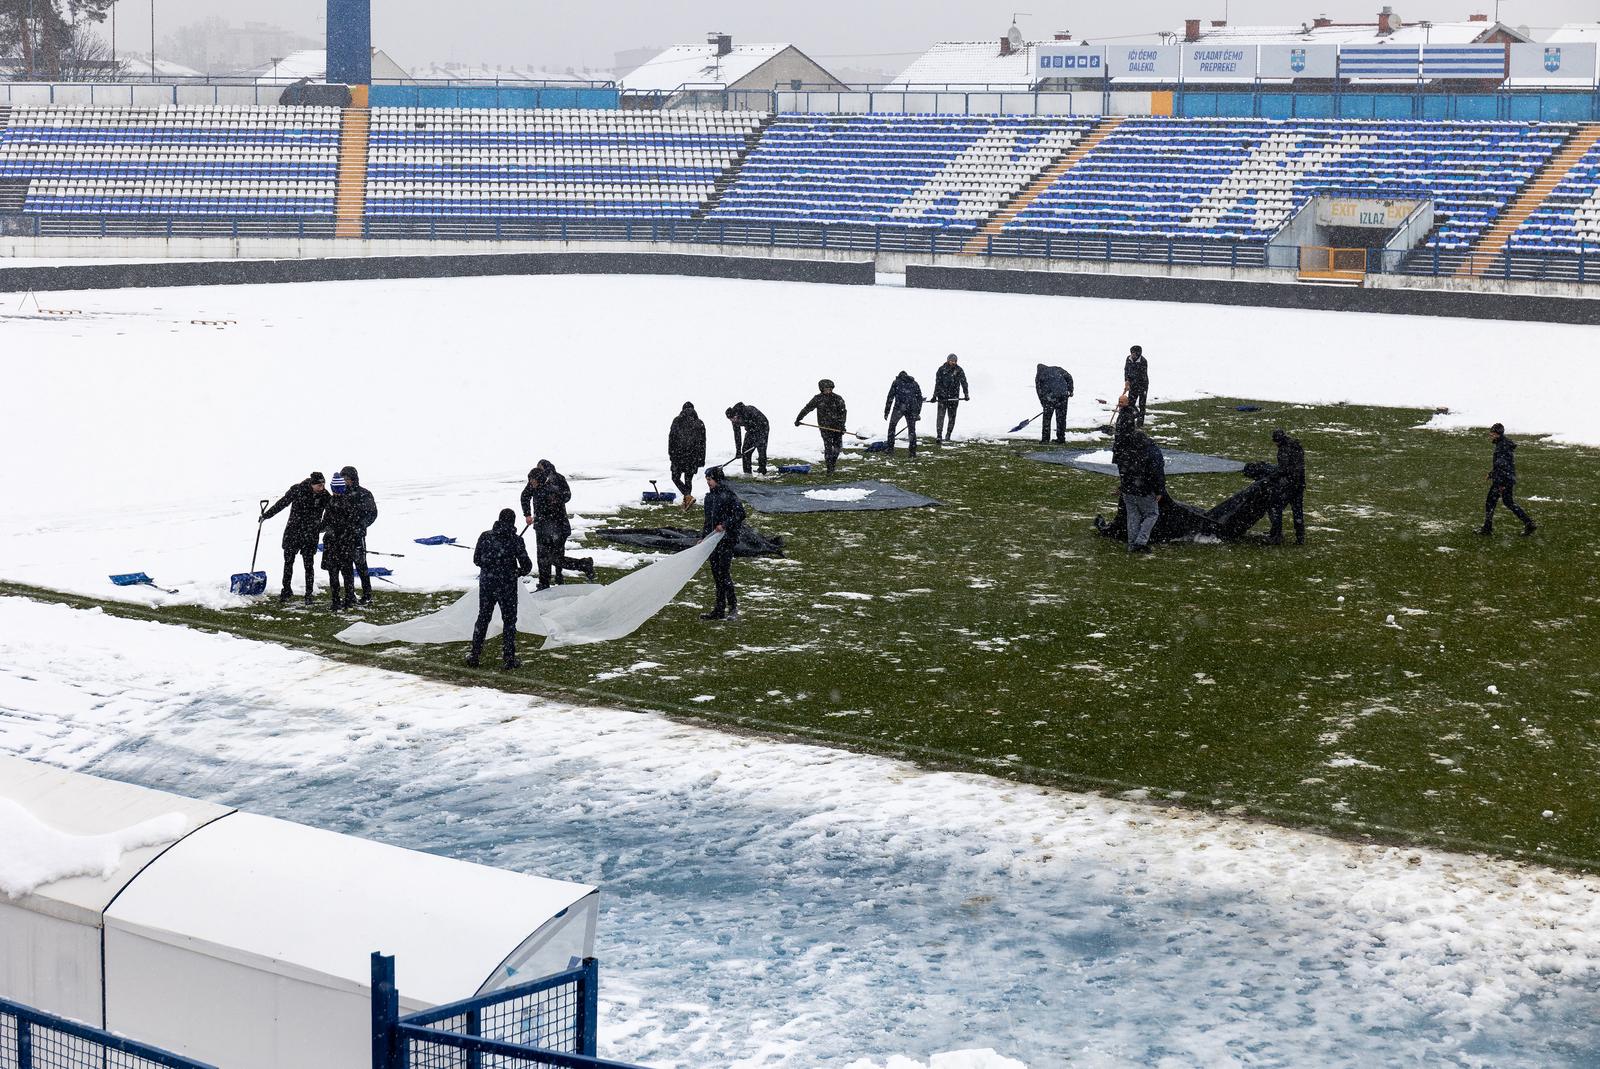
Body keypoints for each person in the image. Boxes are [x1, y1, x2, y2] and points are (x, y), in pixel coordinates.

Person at [467, 508, 533, 670]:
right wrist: (514, 572)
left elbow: (476, 559)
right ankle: (509, 658)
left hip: (488, 584)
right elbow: (527, 565)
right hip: (507, 586)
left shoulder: (485, 536)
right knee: (509, 621)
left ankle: (475, 654)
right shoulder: (515, 540)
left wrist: (491, 566)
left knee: (483, 618)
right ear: (513, 522)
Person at [522, 460, 596, 588]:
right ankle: (544, 583)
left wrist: (541, 516)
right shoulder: (536, 486)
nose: (530, 483)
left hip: (556, 529)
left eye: (532, 480)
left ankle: (582, 565)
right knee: (544, 557)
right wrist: (528, 514)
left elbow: (556, 508)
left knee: (554, 558)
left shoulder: (553, 488)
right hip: (543, 529)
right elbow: (525, 496)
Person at [261, 471, 327, 604]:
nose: (322, 488)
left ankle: (309, 594)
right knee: (288, 562)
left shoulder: (325, 495)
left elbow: (332, 512)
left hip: (310, 534)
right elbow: (282, 503)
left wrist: (321, 527)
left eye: (323, 484)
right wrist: (266, 515)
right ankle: (286, 590)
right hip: (293, 532)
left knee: (309, 565)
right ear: (312, 484)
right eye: (319, 485)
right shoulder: (298, 490)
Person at [699, 466, 746, 621]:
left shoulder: (728, 495)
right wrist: (703, 537)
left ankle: (733, 607)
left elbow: (740, 514)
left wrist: (725, 525)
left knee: (724, 574)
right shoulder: (709, 497)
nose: (708, 482)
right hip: (713, 543)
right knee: (716, 575)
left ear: (717, 479)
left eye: (710, 479)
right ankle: (719, 609)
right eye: (707, 479)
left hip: (727, 541)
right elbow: (708, 521)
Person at [1481, 423, 1536, 537]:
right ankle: (1529, 523)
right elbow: (1501, 465)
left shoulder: (1502, 446)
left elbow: (1502, 466)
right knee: (1507, 502)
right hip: (1505, 478)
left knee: (1491, 502)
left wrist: (1501, 483)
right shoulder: (1503, 444)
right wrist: (1491, 474)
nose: (1490, 435)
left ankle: (1487, 528)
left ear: (1497, 434)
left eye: (1492, 433)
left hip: (1502, 479)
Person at [320, 471, 365, 610]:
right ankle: (348, 599)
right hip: (346, 544)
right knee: (347, 573)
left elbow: (326, 523)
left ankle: (336, 600)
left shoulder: (332, 503)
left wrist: (319, 528)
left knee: (334, 574)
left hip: (335, 545)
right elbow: (354, 523)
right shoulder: (350, 502)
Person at [338, 465, 379, 604]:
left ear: (353, 479)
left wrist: (361, 525)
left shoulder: (364, 494)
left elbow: (372, 513)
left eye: (347, 479)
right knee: (346, 568)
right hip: (342, 537)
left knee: (361, 566)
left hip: (357, 537)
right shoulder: (340, 494)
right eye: (343, 478)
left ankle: (367, 594)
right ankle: (349, 595)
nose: (345, 481)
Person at [1119, 431, 1165, 554]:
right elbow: (1157, 472)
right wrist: (1160, 490)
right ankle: (1140, 542)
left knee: (1133, 515)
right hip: (1144, 490)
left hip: (1128, 490)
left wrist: (1122, 487)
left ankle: (1132, 543)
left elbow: (1123, 470)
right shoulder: (1153, 452)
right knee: (1151, 515)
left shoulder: (1127, 450)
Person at [795, 379, 848, 474]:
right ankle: (829, 468)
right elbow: (807, 408)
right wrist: (799, 418)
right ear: (821, 389)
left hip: (837, 427)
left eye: (829, 389)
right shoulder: (817, 399)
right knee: (828, 448)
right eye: (825, 389)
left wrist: (842, 426)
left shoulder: (837, 398)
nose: (828, 391)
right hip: (824, 427)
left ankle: (833, 463)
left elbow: (843, 412)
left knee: (837, 448)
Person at [1266, 430, 1306, 545]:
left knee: (1274, 507)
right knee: (1298, 511)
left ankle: (1276, 535)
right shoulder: (1296, 446)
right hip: (1300, 484)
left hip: (1289, 485)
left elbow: (1283, 469)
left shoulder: (1284, 450)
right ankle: (1300, 538)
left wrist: (1272, 477)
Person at [668, 402, 707, 507]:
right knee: (688, 479)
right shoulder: (700, 423)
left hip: (678, 455)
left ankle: (687, 497)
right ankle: (687, 499)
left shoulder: (677, 421)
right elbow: (703, 443)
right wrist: (701, 459)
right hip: (693, 456)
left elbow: (671, 438)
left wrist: (671, 454)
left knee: (675, 478)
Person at [883, 370, 925, 456]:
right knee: (912, 430)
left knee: (892, 426)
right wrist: (917, 412)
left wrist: (886, 411)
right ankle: (912, 451)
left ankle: (890, 448)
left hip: (899, 408)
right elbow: (919, 398)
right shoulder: (914, 383)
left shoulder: (896, 382)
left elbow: (890, 397)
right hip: (911, 409)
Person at [932, 353, 971, 443]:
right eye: (951, 361)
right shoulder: (941, 370)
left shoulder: (959, 370)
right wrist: (935, 396)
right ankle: (939, 435)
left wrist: (966, 394)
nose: (953, 362)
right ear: (948, 360)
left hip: (954, 398)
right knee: (940, 417)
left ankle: (948, 434)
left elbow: (964, 382)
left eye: (955, 361)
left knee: (952, 417)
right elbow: (937, 383)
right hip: (942, 397)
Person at [1034, 364, 1074, 444]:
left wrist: (1043, 403)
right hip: (1063, 396)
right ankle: (1061, 438)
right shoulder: (1057, 369)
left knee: (1047, 419)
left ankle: (1045, 440)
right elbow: (1069, 377)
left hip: (1049, 398)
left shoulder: (1039, 375)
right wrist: (1070, 390)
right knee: (1061, 418)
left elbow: (1039, 391)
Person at [726, 403, 770, 476]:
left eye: (733, 419)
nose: (733, 421)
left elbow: (764, 423)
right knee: (745, 451)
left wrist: (761, 439)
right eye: (731, 420)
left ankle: (762, 472)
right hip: (750, 430)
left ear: (736, 415)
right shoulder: (734, 420)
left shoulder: (749, 411)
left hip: (763, 427)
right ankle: (747, 472)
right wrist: (738, 450)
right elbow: (737, 435)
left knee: (761, 449)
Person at [1124, 345, 1149, 426]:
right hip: (1132, 384)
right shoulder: (1128, 359)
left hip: (1142, 385)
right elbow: (1126, 370)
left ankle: (1140, 424)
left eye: (1134, 353)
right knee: (1130, 403)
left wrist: (1130, 383)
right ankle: (1131, 419)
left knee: (1142, 404)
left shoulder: (1143, 361)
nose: (1133, 355)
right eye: (1132, 353)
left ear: (1139, 353)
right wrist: (1127, 381)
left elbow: (1140, 375)